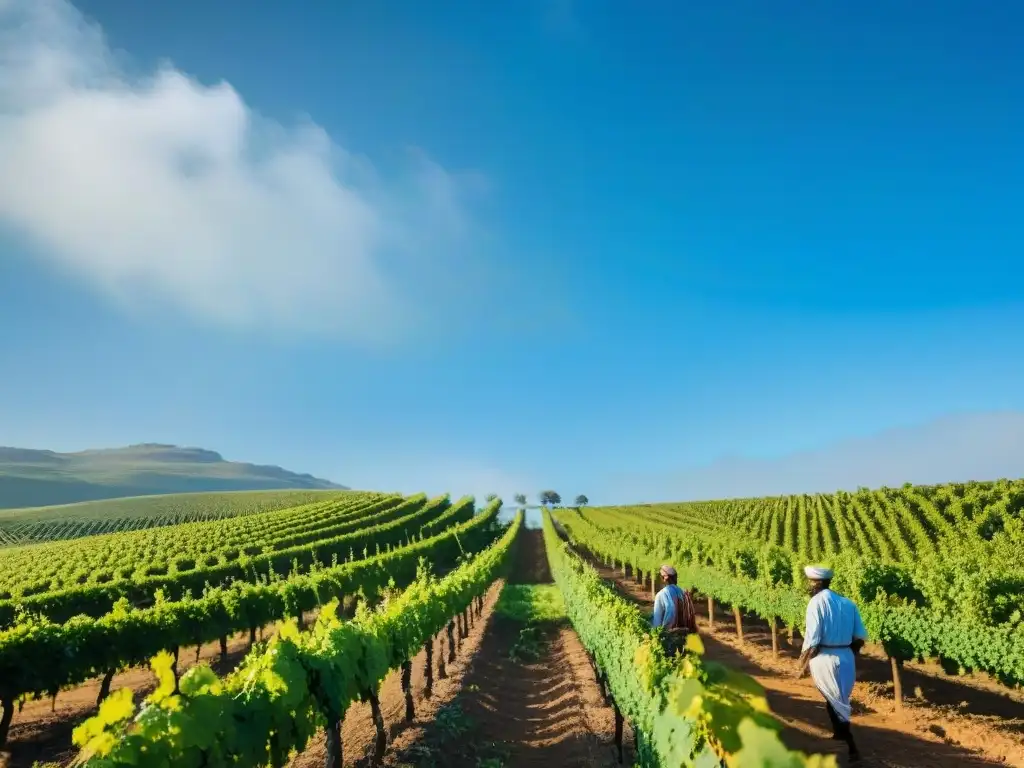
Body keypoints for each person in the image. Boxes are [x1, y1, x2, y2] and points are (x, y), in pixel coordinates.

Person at [796, 565, 868, 762]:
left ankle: (850, 745)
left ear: (815, 583)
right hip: (846, 657)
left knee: (834, 700)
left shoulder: (815, 603)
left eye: (810, 582)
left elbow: (813, 637)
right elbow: (860, 637)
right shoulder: (848, 603)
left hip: (825, 657)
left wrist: (802, 662)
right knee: (839, 698)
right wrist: (847, 652)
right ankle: (840, 735)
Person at [651, 564, 698, 656]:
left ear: (665, 578)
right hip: (685, 637)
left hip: (668, 638)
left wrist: (654, 638)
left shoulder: (662, 594)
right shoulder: (683, 593)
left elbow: (657, 622)